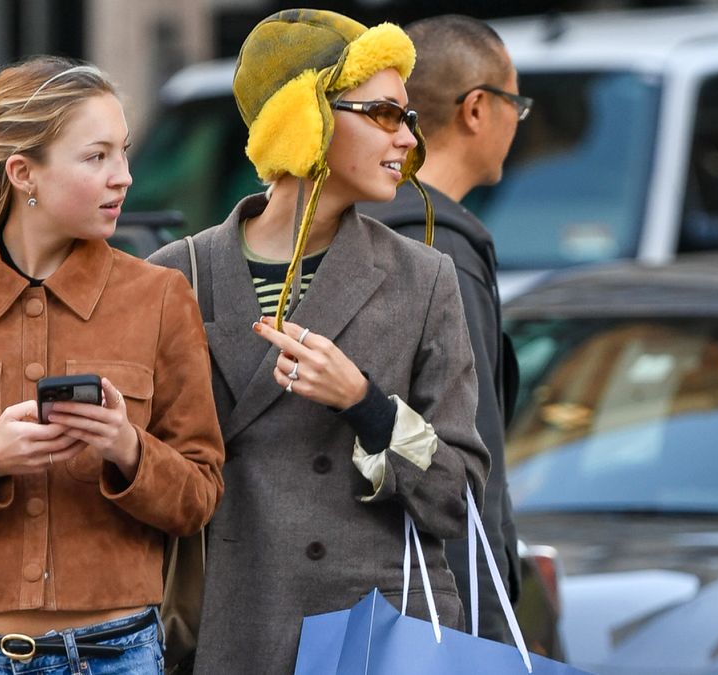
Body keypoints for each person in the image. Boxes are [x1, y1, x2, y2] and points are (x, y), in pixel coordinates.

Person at [0, 56, 225, 675]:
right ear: (24, 173)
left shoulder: (160, 299)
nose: (124, 177)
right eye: (96, 156)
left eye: (124, 153)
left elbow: (200, 497)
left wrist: (129, 448)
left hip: (118, 656)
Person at [148, 9, 489, 673]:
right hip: (229, 632)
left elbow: (461, 496)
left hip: (373, 637)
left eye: (410, 117)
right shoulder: (176, 276)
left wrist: (368, 404)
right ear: (308, 119)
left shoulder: (423, 279)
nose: (408, 141)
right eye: (386, 114)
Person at [360, 14, 527, 644]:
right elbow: (468, 452)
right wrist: (482, 623)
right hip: (441, 601)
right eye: (518, 103)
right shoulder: (442, 251)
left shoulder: (357, 230)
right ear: (478, 108)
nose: (520, 121)